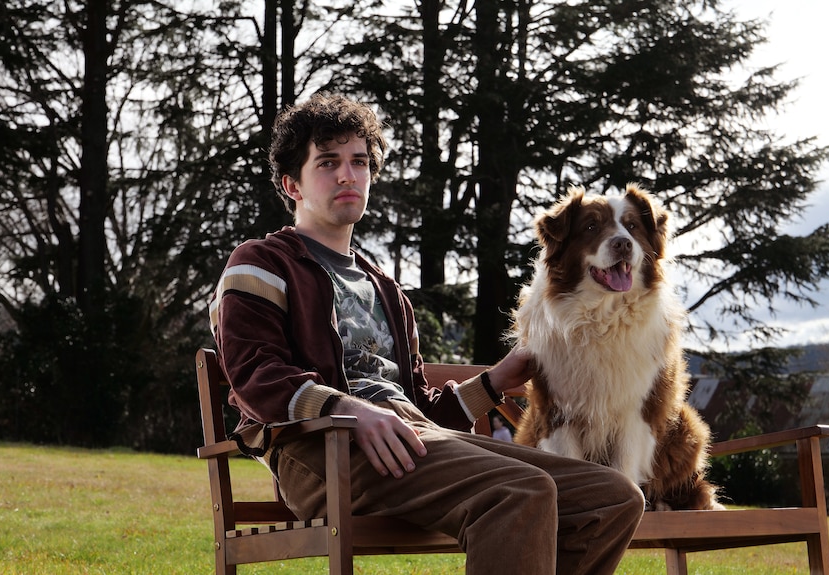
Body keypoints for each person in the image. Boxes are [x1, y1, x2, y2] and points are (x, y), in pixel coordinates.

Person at [209, 92, 644, 574]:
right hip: (324, 452)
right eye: (328, 163)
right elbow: (255, 374)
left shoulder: (387, 291)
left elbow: (421, 407)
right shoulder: (261, 263)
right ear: (292, 185)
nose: (348, 175)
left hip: (411, 442)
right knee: (520, 488)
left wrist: (496, 381)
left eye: (359, 162)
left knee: (614, 496)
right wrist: (350, 410)